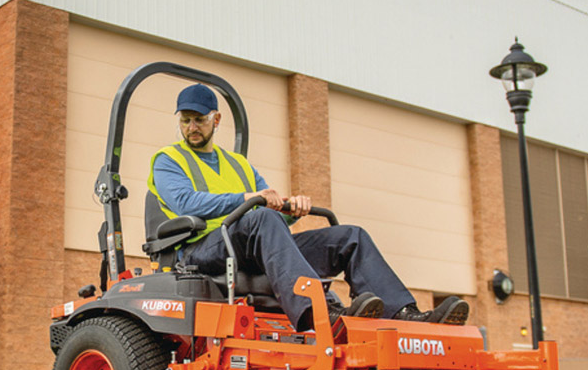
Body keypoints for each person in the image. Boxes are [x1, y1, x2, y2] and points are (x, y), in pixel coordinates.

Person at [147, 83, 469, 329]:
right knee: (261, 219)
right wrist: (248, 200)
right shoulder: (168, 160)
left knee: (349, 236)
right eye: (186, 120)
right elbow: (186, 201)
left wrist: (290, 208)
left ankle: (401, 312)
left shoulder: (239, 164)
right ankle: (317, 312)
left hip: (248, 244)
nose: (192, 127)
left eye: (199, 120)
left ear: (216, 120)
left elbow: (268, 205)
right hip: (200, 250)